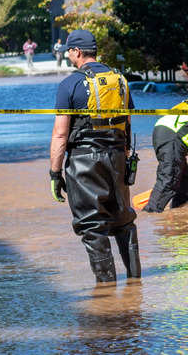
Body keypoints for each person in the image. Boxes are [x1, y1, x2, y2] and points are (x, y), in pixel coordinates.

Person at [49, 29, 139, 284]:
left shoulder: (70, 84)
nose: (68, 56)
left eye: (69, 52)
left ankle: (107, 293)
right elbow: (127, 123)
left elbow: (59, 134)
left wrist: (54, 174)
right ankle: (135, 285)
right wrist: (126, 158)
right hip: (118, 156)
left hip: (84, 161)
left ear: (77, 52)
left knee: (92, 225)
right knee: (123, 220)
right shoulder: (120, 80)